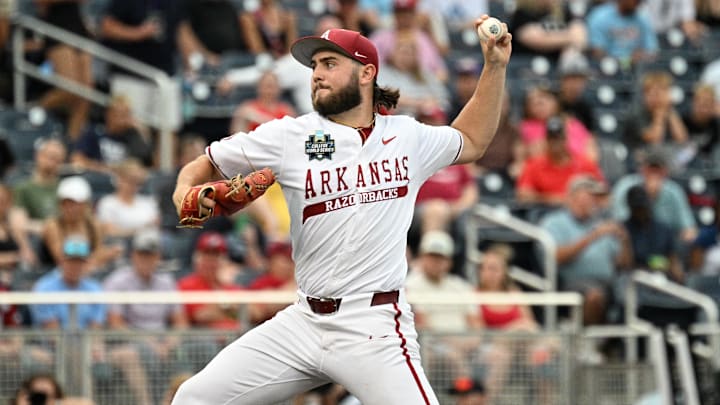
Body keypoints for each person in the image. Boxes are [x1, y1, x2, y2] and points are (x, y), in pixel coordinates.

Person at [171, 19, 511, 404]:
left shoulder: (407, 136)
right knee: (194, 398)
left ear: (366, 72)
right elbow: (206, 162)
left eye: (330, 64)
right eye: (314, 66)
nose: (317, 74)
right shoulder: (289, 135)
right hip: (304, 320)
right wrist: (183, 191)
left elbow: (471, 140)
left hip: (374, 327)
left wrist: (495, 67)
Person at [103, 229, 188, 405]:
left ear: (158, 257)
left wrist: (171, 342)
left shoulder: (166, 282)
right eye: (142, 253)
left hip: (163, 343)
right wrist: (149, 343)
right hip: (128, 342)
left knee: (187, 351)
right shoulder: (118, 281)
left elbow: (180, 321)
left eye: (151, 254)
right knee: (142, 353)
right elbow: (115, 323)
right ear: (133, 255)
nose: (146, 259)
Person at [540, 175, 632, 325]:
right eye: (588, 196)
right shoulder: (555, 222)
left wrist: (625, 240)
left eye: (594, 198)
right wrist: (593, 236)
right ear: (572, 198)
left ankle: (614, 344)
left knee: (632, 294)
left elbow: (623, 264)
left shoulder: (603, 223)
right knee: (594, 295)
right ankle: (590, 342)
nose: (592, 202)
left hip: (609, 282)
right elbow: (557, 256)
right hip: (571, 281)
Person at [35, 0, 93, 140]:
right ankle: (32, 112)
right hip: (57, 24)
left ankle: (72, 142)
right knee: (70, 87)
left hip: (78, 25)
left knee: (87, 92)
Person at [516, 115, 605, 206]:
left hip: (579, 214)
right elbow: (523, 194)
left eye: (559, 138)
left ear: (566, 139)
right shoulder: (535, 164)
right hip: (545, 212)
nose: (555, 143)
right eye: (551, 139)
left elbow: (604, 196)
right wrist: (552, 199)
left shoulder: (584, 164)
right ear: (546, 140)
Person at [12, 138, 67, 237]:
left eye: (57, 159)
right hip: (38, 241)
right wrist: (50, 228)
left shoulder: (66, 188)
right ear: (38, 156)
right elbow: (19, 224)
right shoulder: (23, 188)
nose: (53, 162)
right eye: (49, 156)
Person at [586, 0, 658, 67]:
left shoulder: (643, 18)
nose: (638, 2)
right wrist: (627, 61)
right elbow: (598, 53)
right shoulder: (600, 16)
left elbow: (652, 52)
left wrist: (643, 55)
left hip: (636, 70)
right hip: (607, 70)